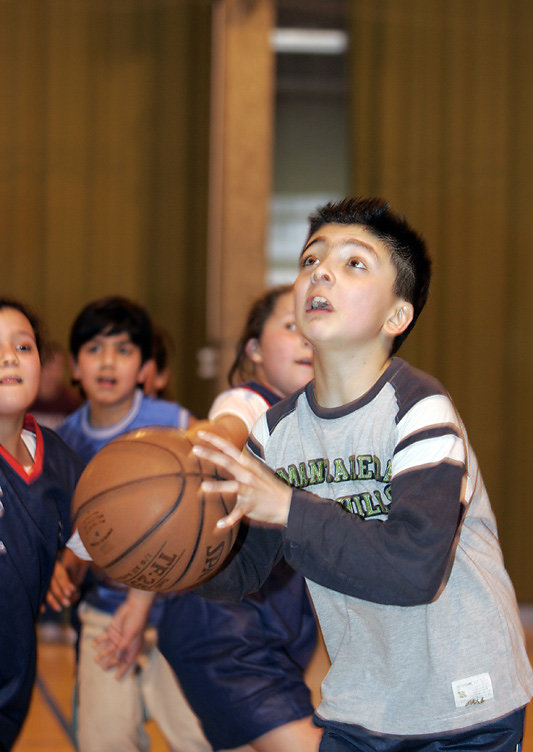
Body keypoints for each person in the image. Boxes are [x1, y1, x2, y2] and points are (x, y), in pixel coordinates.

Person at [189, 198, 533, 752]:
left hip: (464, 702)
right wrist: (173, 549)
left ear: (396, 316)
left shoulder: (420, 410)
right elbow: (242, 570)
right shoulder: (275, 436)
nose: (320, 270)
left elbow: (413, 569)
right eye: (310, 260)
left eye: (354, 263)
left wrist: (287, 507)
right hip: (362, 704)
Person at [94, 285, 323, 752]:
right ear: (253, 350)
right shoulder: (251, 403)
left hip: (281, 625)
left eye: (315, 329)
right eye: (291, 326)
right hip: (221, 626)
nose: (307, 339)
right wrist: (211, 437)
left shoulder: (329, 424)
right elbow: (221, 434)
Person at [46, 295, 210, 752]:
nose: (108, 361)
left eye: (123, 349)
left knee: (199, 738)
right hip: (105, 613)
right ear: (75, 366)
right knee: (104, 740)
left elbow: (202, 511)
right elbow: (83, 534)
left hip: (181, 611)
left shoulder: (176, 424)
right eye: (95, 348)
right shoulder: (66, 441)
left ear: (144, 367)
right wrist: (65, 570)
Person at [0, 298, 83, 750]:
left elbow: (93, 530)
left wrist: (63, 561)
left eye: (23, 346)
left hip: (15, 672)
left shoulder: (59, 457)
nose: (9, 357)